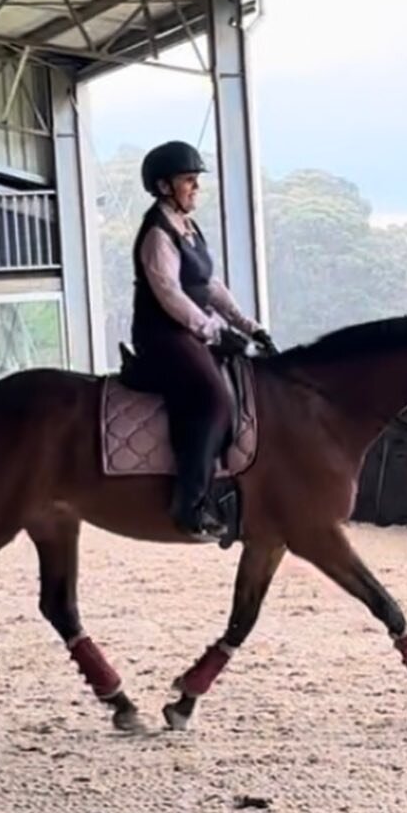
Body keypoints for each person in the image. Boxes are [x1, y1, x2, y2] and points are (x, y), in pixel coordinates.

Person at [131, 140, 277, 540]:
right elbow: (171, 295)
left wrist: (250, 327)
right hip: (163, 334)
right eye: (188, 182)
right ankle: (190, 505)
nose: (195, 188)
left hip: (191, 329)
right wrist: (215, 332)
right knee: (211, 399)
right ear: (164, 187)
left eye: (196, 181)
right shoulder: (157, 234)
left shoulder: (188, 227)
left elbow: (208, 285)